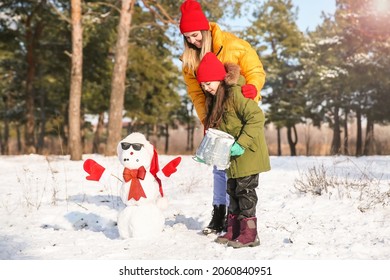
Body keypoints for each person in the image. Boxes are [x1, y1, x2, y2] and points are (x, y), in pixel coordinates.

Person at [179, 0, 266, 235]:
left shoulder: (234, 45)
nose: (192, 41)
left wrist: (254, 89)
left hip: (239, 110)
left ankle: (241, 221)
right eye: (187, 37)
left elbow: (255, 71)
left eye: (195, 36)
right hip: (215, 114)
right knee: (219, 165)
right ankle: (221, 213)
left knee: (240, 169)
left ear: (205, 30)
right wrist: (206, 121)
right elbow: (197, 94)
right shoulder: (189, 61)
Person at [196, 52, 270, 248]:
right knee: (233, 191)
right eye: (203, 85)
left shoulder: (235, 93)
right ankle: (234, 230)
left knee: (245, 193)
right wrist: (209, 150)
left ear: (219, 78)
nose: (206, 87)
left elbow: (256, 118)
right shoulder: (216, 100)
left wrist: (241, 144)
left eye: (209, 82)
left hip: (248, 154)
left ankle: (250, 234)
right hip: (232, 157)